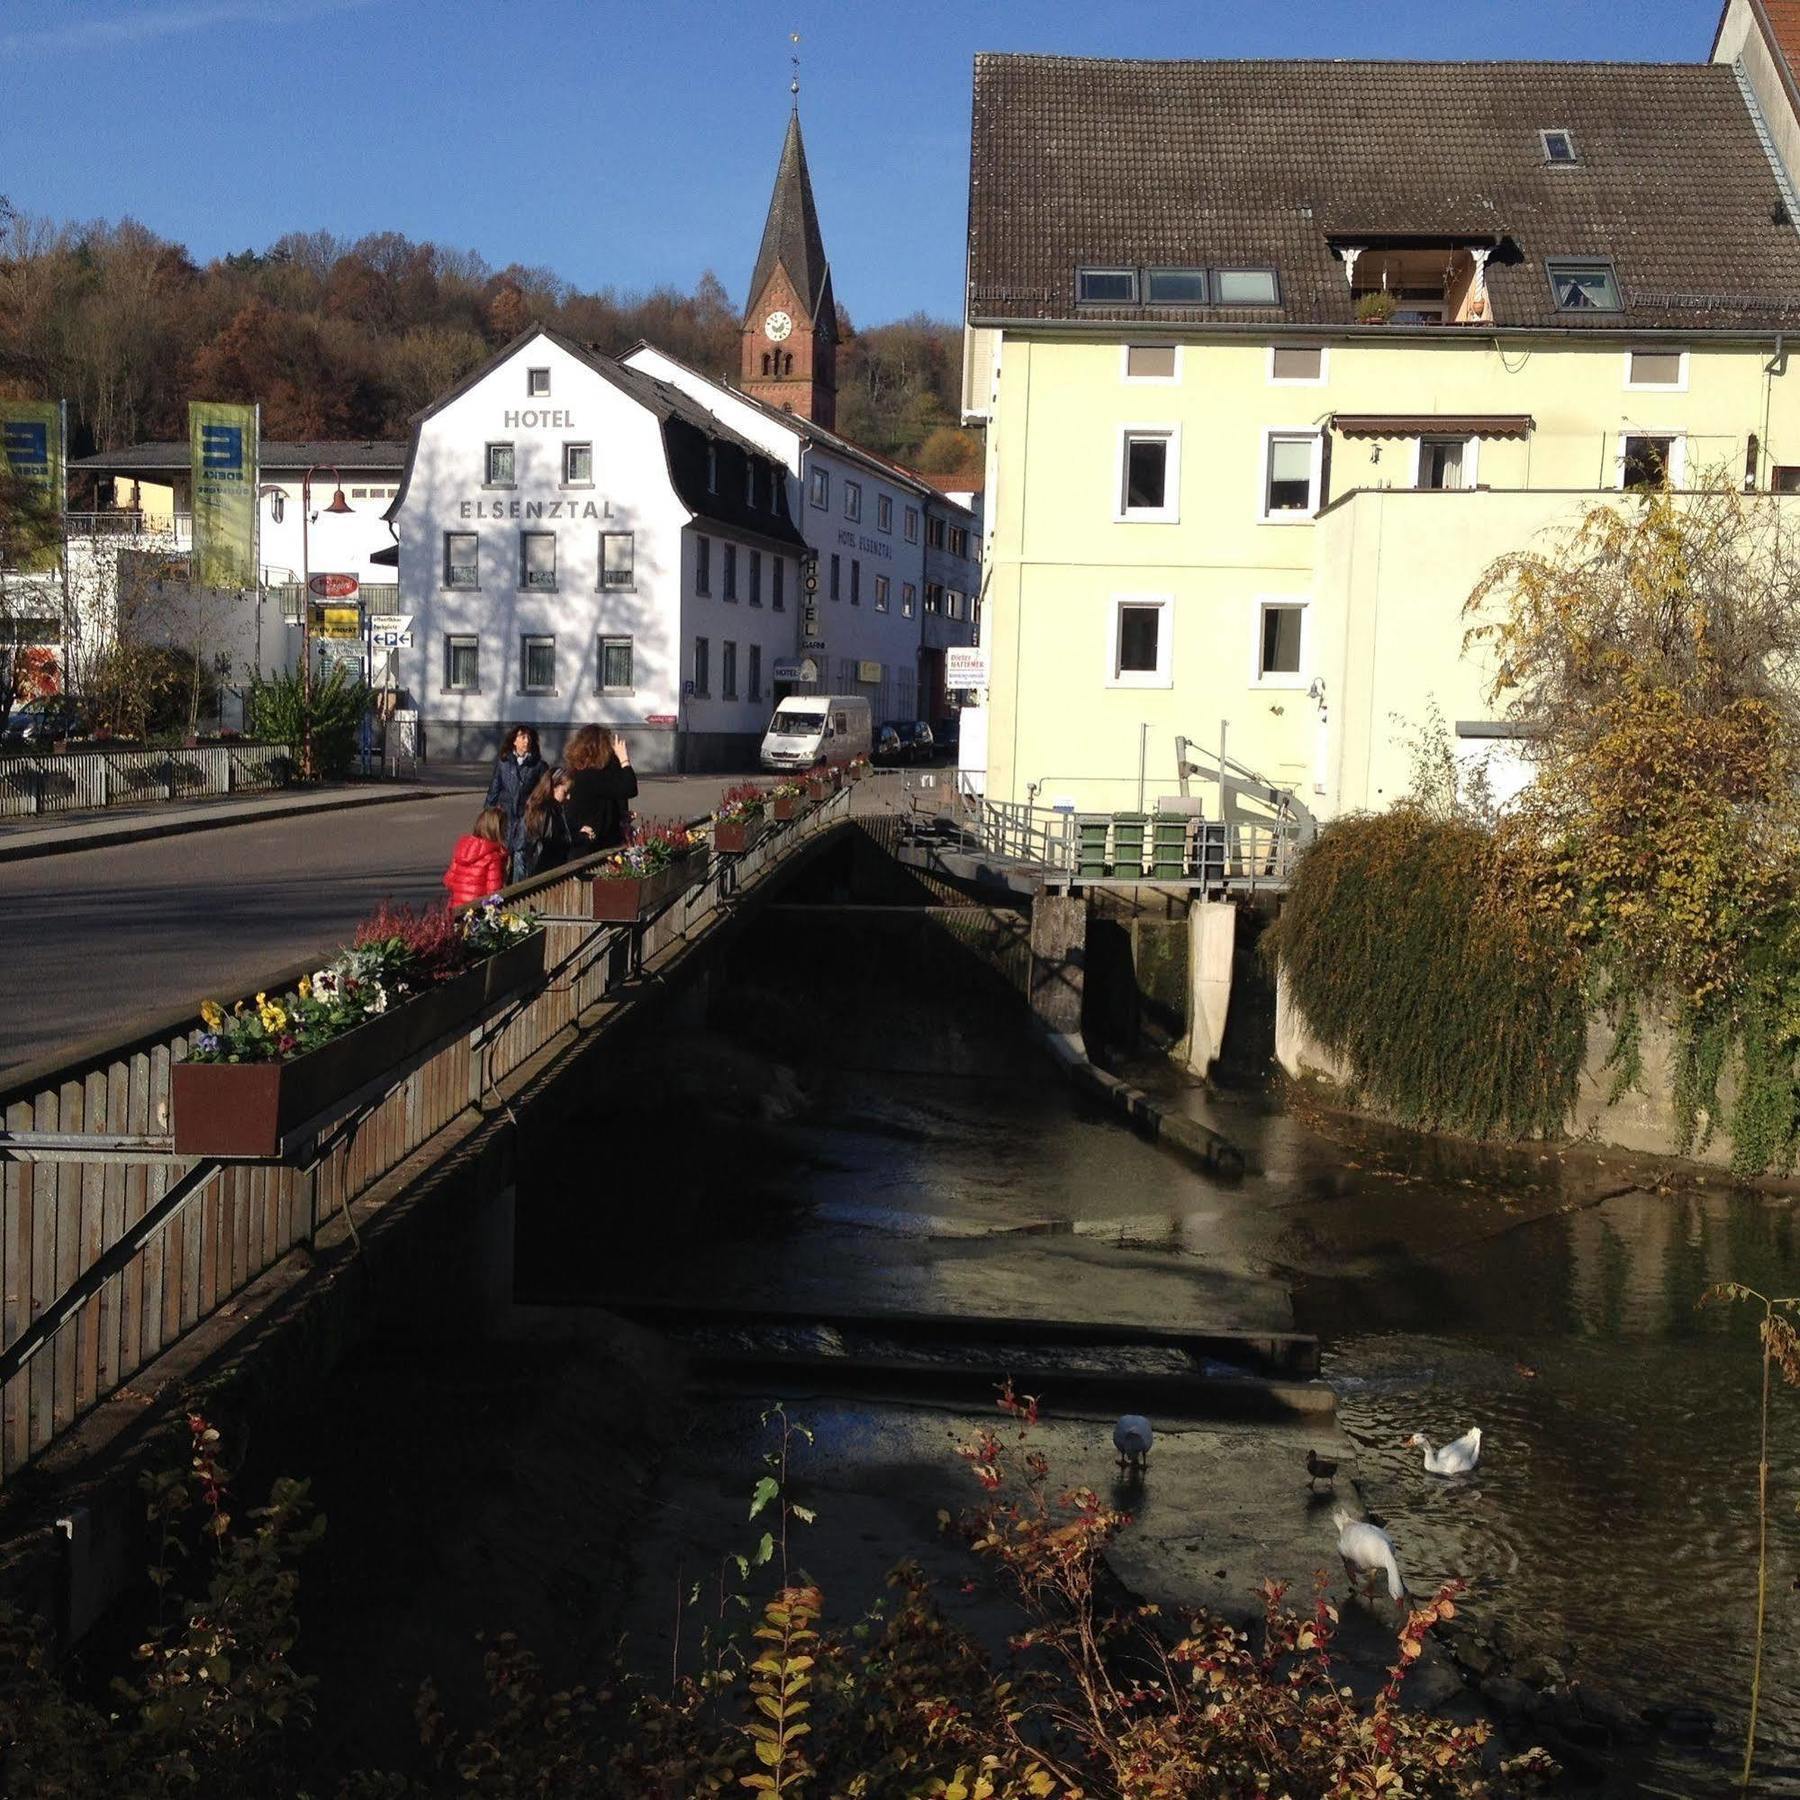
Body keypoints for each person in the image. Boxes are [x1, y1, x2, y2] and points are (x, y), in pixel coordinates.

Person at [485, 724, 547, 882]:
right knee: (501, 856)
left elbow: (544, 794)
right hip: (505, 817)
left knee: (521, 856)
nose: (526, 741)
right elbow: (494, 789)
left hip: (525, 818)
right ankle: (499, 894)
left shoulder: (538, 765)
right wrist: (487, 815)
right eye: (522, 737)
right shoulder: (504, 763)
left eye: (528, 737)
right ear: (514, 741)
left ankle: (517, 894)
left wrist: (536, 812)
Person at [563, 725, 638, 851]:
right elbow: (629, 788)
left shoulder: (582, 772)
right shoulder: (590, 775)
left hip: (596, 839)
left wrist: (621, 814)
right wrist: (624, 760)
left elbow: (614, 795)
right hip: (590, 845)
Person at [443, 806, 509, 906]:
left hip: (457, 907)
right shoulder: (493, 857)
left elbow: (449, 881)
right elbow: (493, 892)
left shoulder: (462, 850)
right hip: (476, 909)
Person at [522, 766, 574, 876]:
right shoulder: (546, 811)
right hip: (545, 870)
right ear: (554, 786)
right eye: (565, 792)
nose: (568, 797)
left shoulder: (552, 808)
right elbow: (551, 842)